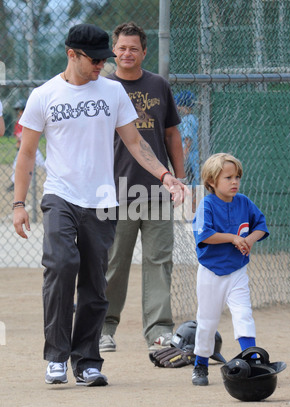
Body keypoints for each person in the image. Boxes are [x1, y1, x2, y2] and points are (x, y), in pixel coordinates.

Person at [12, 23, 186, 387]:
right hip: (60, 195)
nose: (101, 66)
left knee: (95, 282)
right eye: (94, 60)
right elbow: (26, 154)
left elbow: (136, 143)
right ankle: (57, 357)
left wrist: (165, 175)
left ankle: (88, 360)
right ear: (71, 54)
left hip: (103, 200)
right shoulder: (44, 95)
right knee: (61, 266)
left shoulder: (112, 92)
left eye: (103, 59)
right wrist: (17, 203)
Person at [99, 22, 186, 352]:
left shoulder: (158, 85)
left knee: (159, 261)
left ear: (144, 52)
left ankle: (159, 331)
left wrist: (178, 178)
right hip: (114, 191)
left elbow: (171, 135)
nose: (126, 53)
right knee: (112, 262)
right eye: (121, 48)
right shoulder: (103, 88)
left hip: (157, 191)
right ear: (113, 51)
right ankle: (104, 328)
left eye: (133, 48)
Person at [192, 153, 269, 386]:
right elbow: (205, 235)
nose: (234, 182)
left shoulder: (244, 202)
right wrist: (234, 238)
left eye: (237, 177)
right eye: (228, 178)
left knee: (243, 313)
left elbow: (261, 225)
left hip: (237, 272)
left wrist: (250, 240)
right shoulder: (207, 204)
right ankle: (200, 364)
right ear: (212, 182)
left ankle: (252, 358)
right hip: (211, 273)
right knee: (207, 321)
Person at [7, 99, 46, 192]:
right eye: (18, 111)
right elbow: (17, 138)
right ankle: (14, 183)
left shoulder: (30, 121)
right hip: (21, 149)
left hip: (33, 148)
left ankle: (54, 178)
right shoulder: (18, 123)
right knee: (16, 165)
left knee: (43, 165)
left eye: (20, 110)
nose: (19, 113)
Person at [174, 90, 200, 187]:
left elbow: (188, 139)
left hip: (189, 155)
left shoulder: (186, 120)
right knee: (195, 182)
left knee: (190, 183)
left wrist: (184, 156)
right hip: (194, 155)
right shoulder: (193, 117)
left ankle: (193, 202)